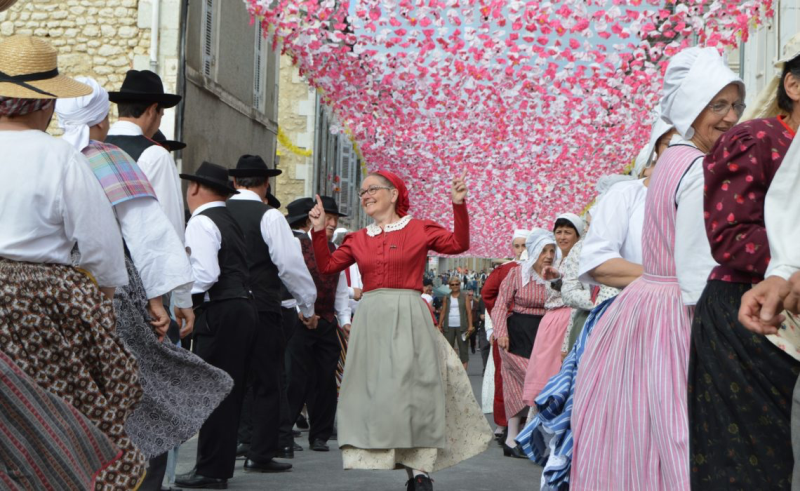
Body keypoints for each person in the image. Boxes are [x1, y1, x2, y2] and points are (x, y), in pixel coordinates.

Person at [571, 47, 745, 490]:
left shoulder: (671, 159)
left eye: (736, 105)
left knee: (638, 429)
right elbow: (696, 269)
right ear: (691, 107)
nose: (730, 117)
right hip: (679, 313)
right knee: (679, 432)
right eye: (717, 105)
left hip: (644, 307)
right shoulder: (698, 169)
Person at [55, 76, 235, 490]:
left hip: (44, 291)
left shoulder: (47, 154)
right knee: (141, 391)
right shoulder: (115, 159)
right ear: (100, 117)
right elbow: (152, 232)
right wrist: (166, 299)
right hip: (112, 289)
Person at [0, 35, 146, 490]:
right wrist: (98, 304)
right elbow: (100, 248)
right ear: (43, 106)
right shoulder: (60, 156)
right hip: (39, 304)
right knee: (58, 416)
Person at [307, 170, 492, 491]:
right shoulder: (357, 238)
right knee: (384, 396)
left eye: (372, 189)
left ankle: (420, 471)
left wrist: (458, 206)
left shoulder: (418, 228)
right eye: (362, 191)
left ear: (394, 194)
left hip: (408, 314)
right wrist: (319, 230)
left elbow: (458, 243)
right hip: (371, 319)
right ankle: (413, 473)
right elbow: (326, 266)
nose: (365, 195)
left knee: (414, 391)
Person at [688, 43, 800, 489]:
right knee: (748, 466)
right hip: (745, 319)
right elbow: (731, 235)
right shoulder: (757, 138)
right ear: (792, 84)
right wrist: (788, 274)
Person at [175, 162, 264, 489]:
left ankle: (210, 471)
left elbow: (206, 274)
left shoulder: (201, 221)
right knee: (229, 392)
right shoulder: (229, 218)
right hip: (242, 307)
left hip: (222, 311)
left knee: (212, 391)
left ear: (195, 188)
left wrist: (180, 297)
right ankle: (216, 469)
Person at [226, 154, 315, 471]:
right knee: (266, 381)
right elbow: (290, 266)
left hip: (223, 308)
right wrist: (308, 305)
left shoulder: (214, 213)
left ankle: (222, 453)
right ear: (266, 183)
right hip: (263, 306)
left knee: (229, 382)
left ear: (235, 182)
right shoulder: (270, 217)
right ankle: (259, 453)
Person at [285, 196, 352, 453]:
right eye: (329, 217)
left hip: (326, 321)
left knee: (325, 379)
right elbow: (287, 278)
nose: (333, 223)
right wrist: (301, 310)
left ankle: (320, 434)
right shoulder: (294, 244)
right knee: (295, 378)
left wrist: (344, 320)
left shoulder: (335, 251)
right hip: (300, 321)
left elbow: (341, 288)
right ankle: (284, 432)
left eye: (335, 219)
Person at [492, 229, 555, 458]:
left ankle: (516, 440)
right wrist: (500, 332)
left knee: (533, 385)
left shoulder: (555, 276)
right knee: (523, 384)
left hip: (544, 335)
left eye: (552, 250)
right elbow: (500, 304)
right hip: (515, 334)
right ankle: (516, 438)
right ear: (534, 251)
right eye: (543, 250)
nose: (548, 255)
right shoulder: (517, 274)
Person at [106, 69, 185, 241]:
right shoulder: (155, 156)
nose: (158, 123)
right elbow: (170, 227)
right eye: (161, 115)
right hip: (134, 262)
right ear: (152, 110)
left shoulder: (94, 148)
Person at [521, 213, 582, 406]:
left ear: (578, 236)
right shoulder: (556, 261)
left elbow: (576, 292)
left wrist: (558, 281)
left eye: (568, 232)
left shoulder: (579, 259)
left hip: (566, 321)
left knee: (558, 375)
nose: (562, 237)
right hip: (550, 322)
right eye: (559, 232)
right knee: (543, 374)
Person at [481, 229, 529, 444]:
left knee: (528, 376)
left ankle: (525, 422)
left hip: (532, 329)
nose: (521, 250)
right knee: (504, 376)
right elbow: (488, 294)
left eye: (525, 245)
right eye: (517, 246)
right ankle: (503, 422)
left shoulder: (542, 269)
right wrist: (500, 319)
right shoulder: (504, 270)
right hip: (508, 329)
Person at [439, 276, 474, 369]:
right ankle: (450, 372)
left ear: (459, 285)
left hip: (462, 326)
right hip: (448, 326)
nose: (455, 286)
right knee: (448, 349)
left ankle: (464, 374)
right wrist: (439, 325)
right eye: (452, 284)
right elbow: (443, 312)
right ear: (449, 286)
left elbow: (469, 312)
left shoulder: (465, 297)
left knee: (463, 350)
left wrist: (470, 326)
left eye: (457, 284)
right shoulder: (446, 297)